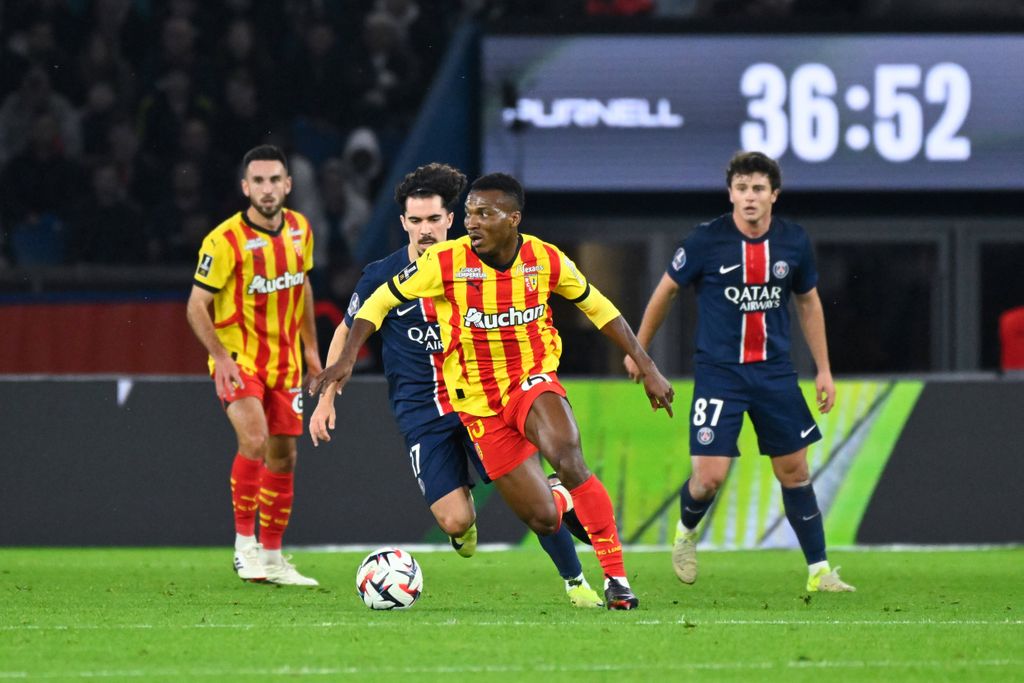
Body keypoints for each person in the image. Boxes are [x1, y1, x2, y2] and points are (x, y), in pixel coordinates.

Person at [310, 172, 675, 610]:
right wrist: (344, 366)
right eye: (469, 214)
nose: (472, 223)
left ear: (512, 219)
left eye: (482, 214)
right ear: (404, 222)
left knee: (566, 450)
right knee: (533, 516)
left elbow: (598, 306)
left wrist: (647, 364)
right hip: (462, 403)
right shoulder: (439, 264)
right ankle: (555, 498)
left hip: (529, 380)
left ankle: (611, 579)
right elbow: (372, 308)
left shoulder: (545, 259)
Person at [624, 151, 855, 593]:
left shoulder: (794, 242)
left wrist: (824, 369)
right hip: (720, 374)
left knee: (795, 472)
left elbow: (808, 302)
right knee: (709, 478)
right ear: (731, 193)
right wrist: (639, 350)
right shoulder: (705, 241)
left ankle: (819, 571)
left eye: (759, 189)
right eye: (743, 188)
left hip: (774, 374)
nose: (750, 197)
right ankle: (686, 534)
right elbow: (665, 292)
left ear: (774, 195)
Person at [186, 144, 322, 586]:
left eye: (274, 180)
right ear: (246, 188)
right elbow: (195, 306)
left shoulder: (301, 229)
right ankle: (245, 547)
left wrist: (312, 351)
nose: (267, 189)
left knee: (284, 457)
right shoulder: (224, 240)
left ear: (288, 184)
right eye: (258, 181)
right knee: (256, 438)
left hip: (285, 364)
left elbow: (301, 288)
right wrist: (221, 358)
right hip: (240, 360)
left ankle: (274, 557)